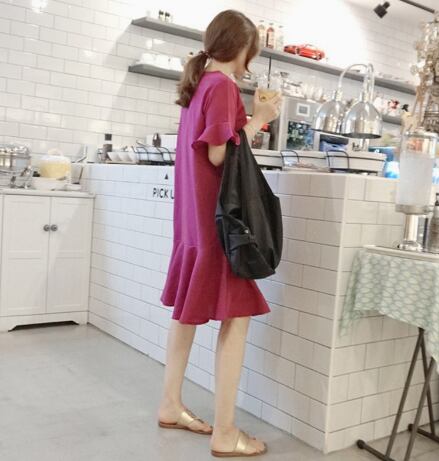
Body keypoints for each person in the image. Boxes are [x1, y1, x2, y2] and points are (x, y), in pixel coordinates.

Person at [158, 9, 281, 458]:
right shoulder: (224, 87)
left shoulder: (197, 86)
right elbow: (217, 154)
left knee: (186, 314)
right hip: (220, 224)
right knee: (237, 318)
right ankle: (226, 433)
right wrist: (260, 117)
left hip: (194, 220)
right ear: (243, 48)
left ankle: (170, 404)